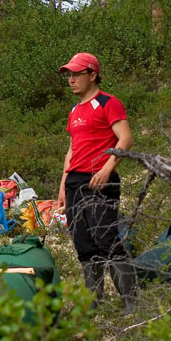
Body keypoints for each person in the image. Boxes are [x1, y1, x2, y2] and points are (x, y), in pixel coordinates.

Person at [56, 52, 138, 312]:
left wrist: (107, 168)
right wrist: (62, 187)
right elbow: (72, 149)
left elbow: (125, 140)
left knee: (106, 240)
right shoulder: (74, 110)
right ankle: (95, 304)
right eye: (69, 75)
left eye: (77, 74)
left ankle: (131, 304)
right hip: (75, 183)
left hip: (102, 181)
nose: (71, 79)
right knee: (84, 243)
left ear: (92, 75)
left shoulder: (108, 102)